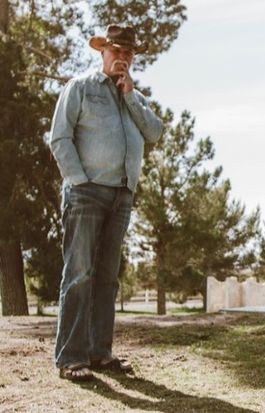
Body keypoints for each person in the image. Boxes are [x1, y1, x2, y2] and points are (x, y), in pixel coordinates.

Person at [49, 24, 163, 381]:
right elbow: (60, 137)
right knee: (79, 275)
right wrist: (78, 180)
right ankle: (71, 358)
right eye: (117, 51)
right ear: (103, 52)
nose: (123, 58)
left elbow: (155, 133)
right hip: (86, 192)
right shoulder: (81, 87)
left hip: (122, 195)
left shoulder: (135, 97)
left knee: (107, 279)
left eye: (129, 54)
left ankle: (100, 353)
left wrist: (129, 95)